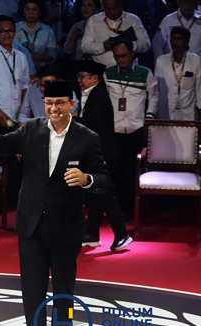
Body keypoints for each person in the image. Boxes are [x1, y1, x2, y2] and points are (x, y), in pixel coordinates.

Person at [0, 79, 110, 326]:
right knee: (32, 293)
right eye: (49, 103)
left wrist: (86, 179)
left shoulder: (87, 138)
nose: (53, 108)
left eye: (59, 103)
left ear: (71, 105)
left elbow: (104, 180)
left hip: (66, 227)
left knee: (63, 292)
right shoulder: (31, 129)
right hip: (31, 227)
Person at [75, 60, 131, 251]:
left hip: (104, 153)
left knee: (103, 193)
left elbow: (88, 123)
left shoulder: (98, 95)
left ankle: (122, 234)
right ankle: (91, 233)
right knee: (93, 193)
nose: (79, 80)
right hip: (97, 152)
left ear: (94, 78)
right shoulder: (92, 93)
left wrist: (68, 119)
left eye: (82, 76)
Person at [105, 38, 158, 212]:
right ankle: (118, 207)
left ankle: (134, 207)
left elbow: (154, 95)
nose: (120, 60)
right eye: (117, 57)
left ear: (133, 53)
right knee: (117, 169)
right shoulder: (109, 73)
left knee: (133, 169)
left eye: (124, 56)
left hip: (136, 128)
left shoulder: (145, 73)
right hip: (115, 129)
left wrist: (149, 116)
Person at [80, 0, 151, 67]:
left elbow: (146, 44)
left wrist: (128, 45)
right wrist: (103, 46)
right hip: (102, 71)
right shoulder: (94, 20)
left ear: (121, 4)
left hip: (128, 72)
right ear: (103, 6)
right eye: (108, 9)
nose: (112, 12)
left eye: (115, 8)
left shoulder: (133, 20)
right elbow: (85, 47)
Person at [155, 26, 201, 120]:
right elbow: (156, 89)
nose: (175, 42)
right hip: (165, 114)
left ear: (187, 41)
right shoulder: (161, 61)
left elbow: (199, 88)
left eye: (179, 39)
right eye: (173, 38)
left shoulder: (195, 60)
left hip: (187, 115)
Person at [15, 0, 57, 71]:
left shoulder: (47, 30)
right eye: (28, 9)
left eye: (34, 9)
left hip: (41, 70)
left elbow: (52, 53)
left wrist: (40, 57)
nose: (31, 13)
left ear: (39, 12)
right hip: (18, 69)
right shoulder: (15, 28)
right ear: (23, 11)